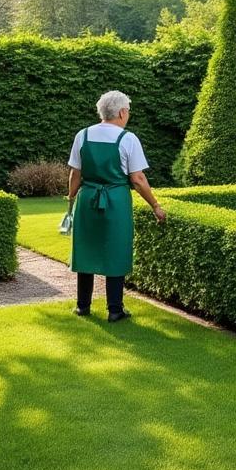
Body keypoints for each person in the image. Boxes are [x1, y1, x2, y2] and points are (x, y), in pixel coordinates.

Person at [67, 91, 166, 321]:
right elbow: (138, 179)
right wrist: (155, 205)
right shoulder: (128, 139)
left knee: (86, 248)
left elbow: (75, 173)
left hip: (87, 198)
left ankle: (83, 305)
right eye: (128, 111)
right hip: (116, 201)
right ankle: (115, 309)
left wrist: (71, 199)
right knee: (116, 248)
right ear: (122, 112)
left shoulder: (82, 135)